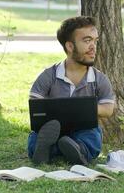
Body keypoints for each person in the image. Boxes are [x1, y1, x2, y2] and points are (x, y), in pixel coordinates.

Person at [27, 16, 115, 165]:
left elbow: (108, 109)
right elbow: (35, 103)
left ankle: (79, 150)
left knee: (93, 134)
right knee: (37, 136)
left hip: (83, 130)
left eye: (95, 41)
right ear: (70, 46)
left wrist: (80, 109)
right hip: (53, 129)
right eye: (87, 41)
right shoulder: (49, 75)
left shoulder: (100, 79)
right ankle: (44, 150)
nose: (93, 46)